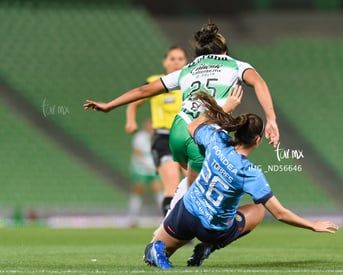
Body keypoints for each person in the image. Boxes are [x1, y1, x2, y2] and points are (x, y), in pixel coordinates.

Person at [142, 88, 339, 269]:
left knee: (159, 248)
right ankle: (209, 247)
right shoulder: (250, 172)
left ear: (236, 130)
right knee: (258, 209)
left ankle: (155, 250)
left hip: (187, 212)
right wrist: (313, 225)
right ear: (258, 140)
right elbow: (280, 213)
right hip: (212, 229)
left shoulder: (216, 140)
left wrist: (222, 109)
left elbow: (193, 125)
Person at [84, 22, 280, 190]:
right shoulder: (235, 64)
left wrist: (110, 105)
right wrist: (271, 118)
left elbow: (143, 91)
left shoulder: (187, 69)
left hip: (178, 130)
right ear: (224, 52)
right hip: (204, 135)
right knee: (210, 194)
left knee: (190, 188)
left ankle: (176, 217)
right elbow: (259, 83)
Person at [125, 46, 187, 216]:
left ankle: (189, 226)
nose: (176, 62)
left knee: (195, 186)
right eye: (172, 59)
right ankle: (170, 231)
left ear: (186, 62)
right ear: (165, 62)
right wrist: (131, 120)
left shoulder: (191, 82)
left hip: (187, 139)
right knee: (172, 187)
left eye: (180, 58)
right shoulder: (156, 81)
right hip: (164, 139)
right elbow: (134, 102)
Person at [128, 119, 163, 226]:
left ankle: (165, 216)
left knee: (158, 188)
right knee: (138, 190)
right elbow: (137, 153)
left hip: (154, 168)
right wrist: (145, 163)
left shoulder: (158, 137)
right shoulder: (140, 137)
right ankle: (133, 217)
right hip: (141, 168)